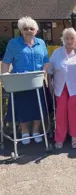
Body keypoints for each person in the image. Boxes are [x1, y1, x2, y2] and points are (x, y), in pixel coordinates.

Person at [1, 16, 49, 144]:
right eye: (25, 28)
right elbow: (6, 62)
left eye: (31, 28)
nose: (28, 31)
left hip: (37, 81)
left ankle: (36, 131)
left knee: (38, 108)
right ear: (21, 30)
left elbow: (46, 61)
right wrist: (5, 78)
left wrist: (44, 72)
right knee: (22, 108)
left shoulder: (41, 43)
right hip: (19, 82)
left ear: (36, 30)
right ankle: (24, 131)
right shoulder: (14, 43)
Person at [48, 28, 76, 149]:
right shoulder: (57, 52)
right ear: (63, 39)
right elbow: (50, 70)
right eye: (66, 38)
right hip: (60, 85)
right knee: (61, 110)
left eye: (72, 38)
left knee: (73, 108)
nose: (69, 40)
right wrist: (49, 84)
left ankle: (74, 136)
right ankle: (60, 137)